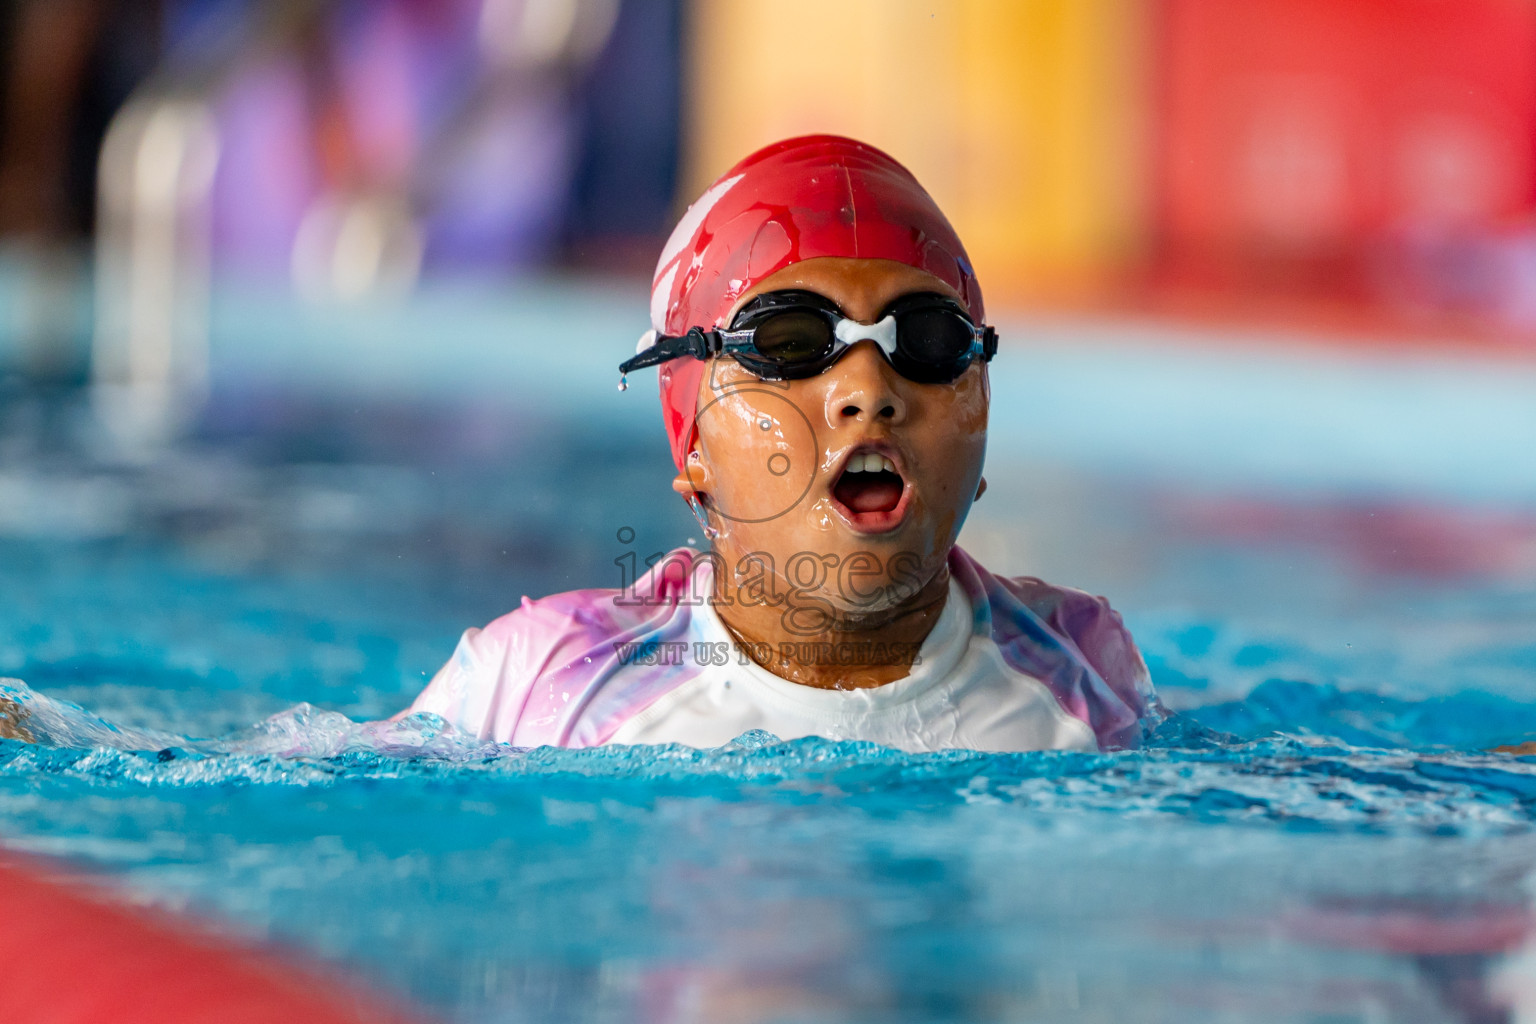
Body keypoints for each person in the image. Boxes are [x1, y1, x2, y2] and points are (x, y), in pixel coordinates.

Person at [400, 134, 1160, 752]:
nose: (869, 390)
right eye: (791, 341)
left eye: (929, 340)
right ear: (692, 446)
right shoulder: (544, 681)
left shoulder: (1084, 673)